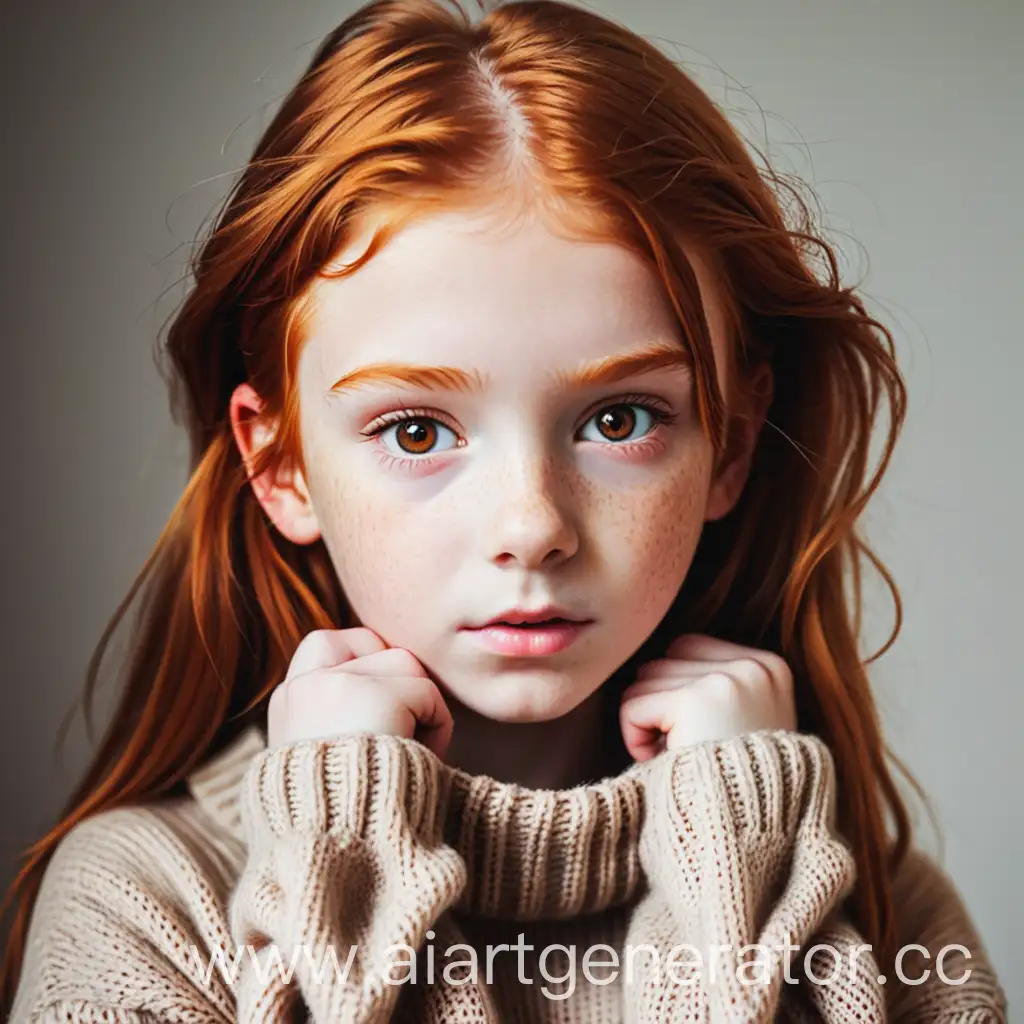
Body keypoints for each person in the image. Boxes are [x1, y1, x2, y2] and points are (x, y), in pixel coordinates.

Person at [1, 0, 1007, 1020]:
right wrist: (339, 861)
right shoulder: (145, 901)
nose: (532, 526)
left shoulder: (880, 916)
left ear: (732, 443)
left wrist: (734, 888)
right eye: (416, 431)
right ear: (283, 464)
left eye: (619, 417)